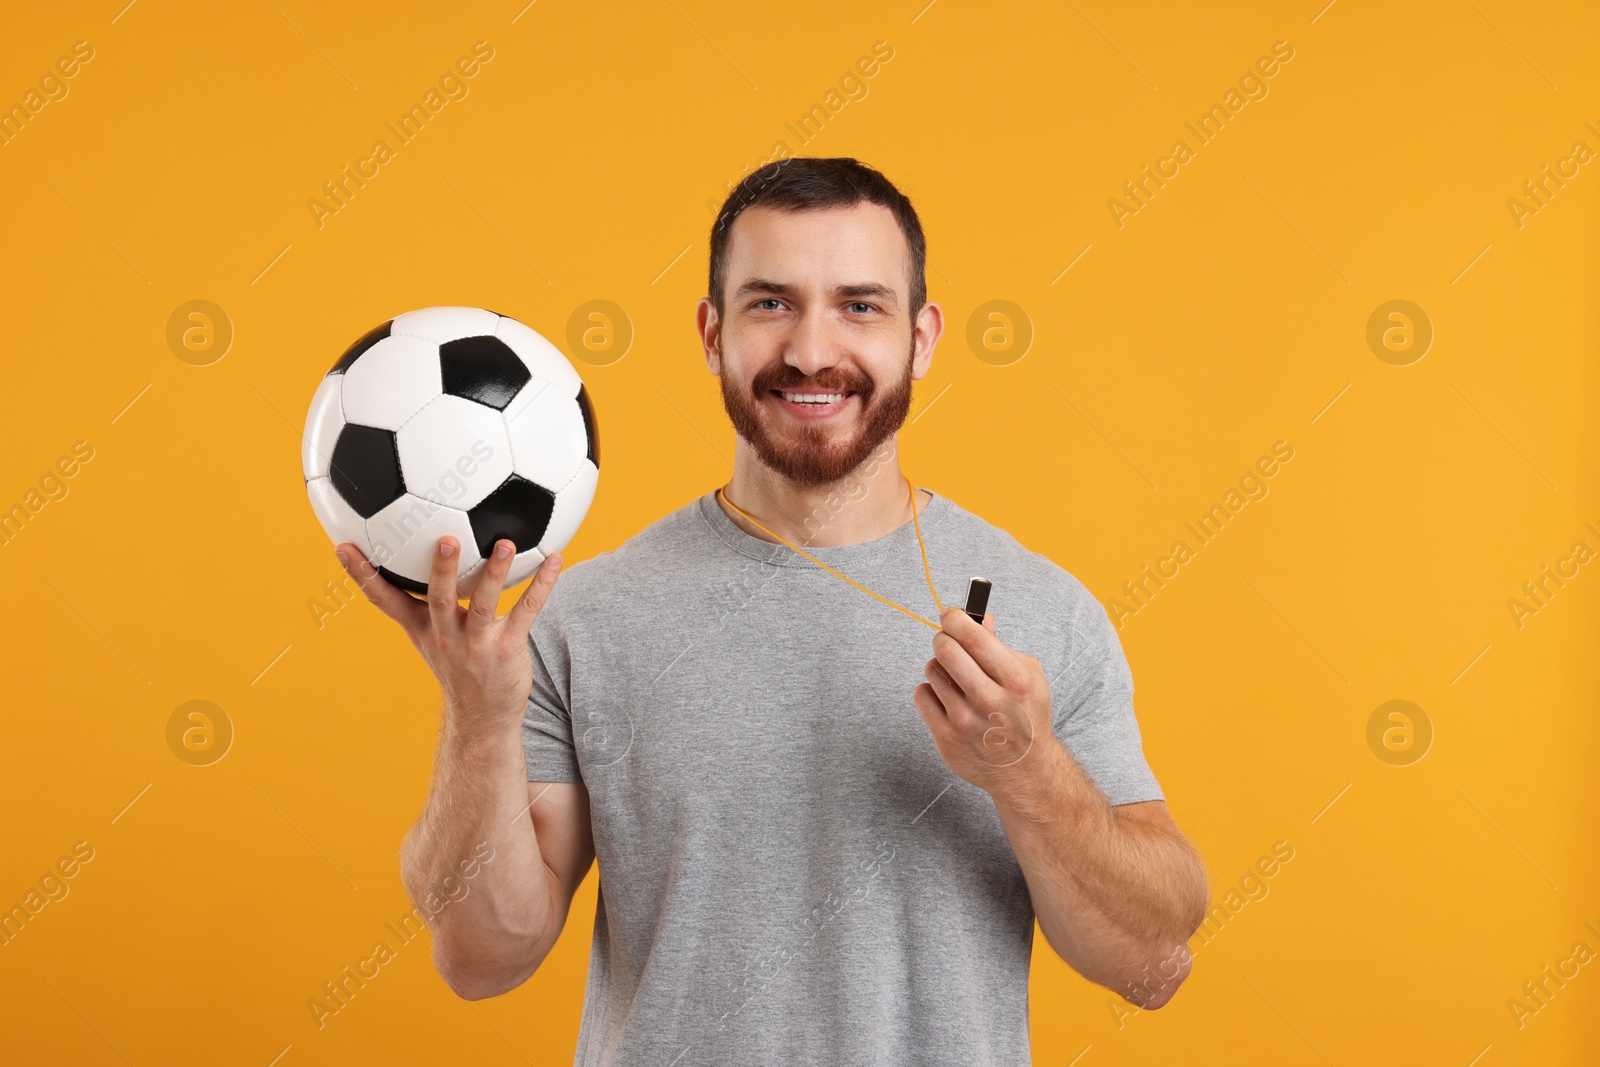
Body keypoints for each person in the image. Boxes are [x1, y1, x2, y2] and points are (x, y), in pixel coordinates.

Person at [335, 156, 1208, 1065]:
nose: (811, 351)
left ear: (923, 337)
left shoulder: (1042, 610)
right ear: (712, 333)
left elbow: (1152, 962)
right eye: (771, 303)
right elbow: (482, 957)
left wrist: (1028, 771)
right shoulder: (582, 615)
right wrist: (478, 720)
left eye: (860, 305)